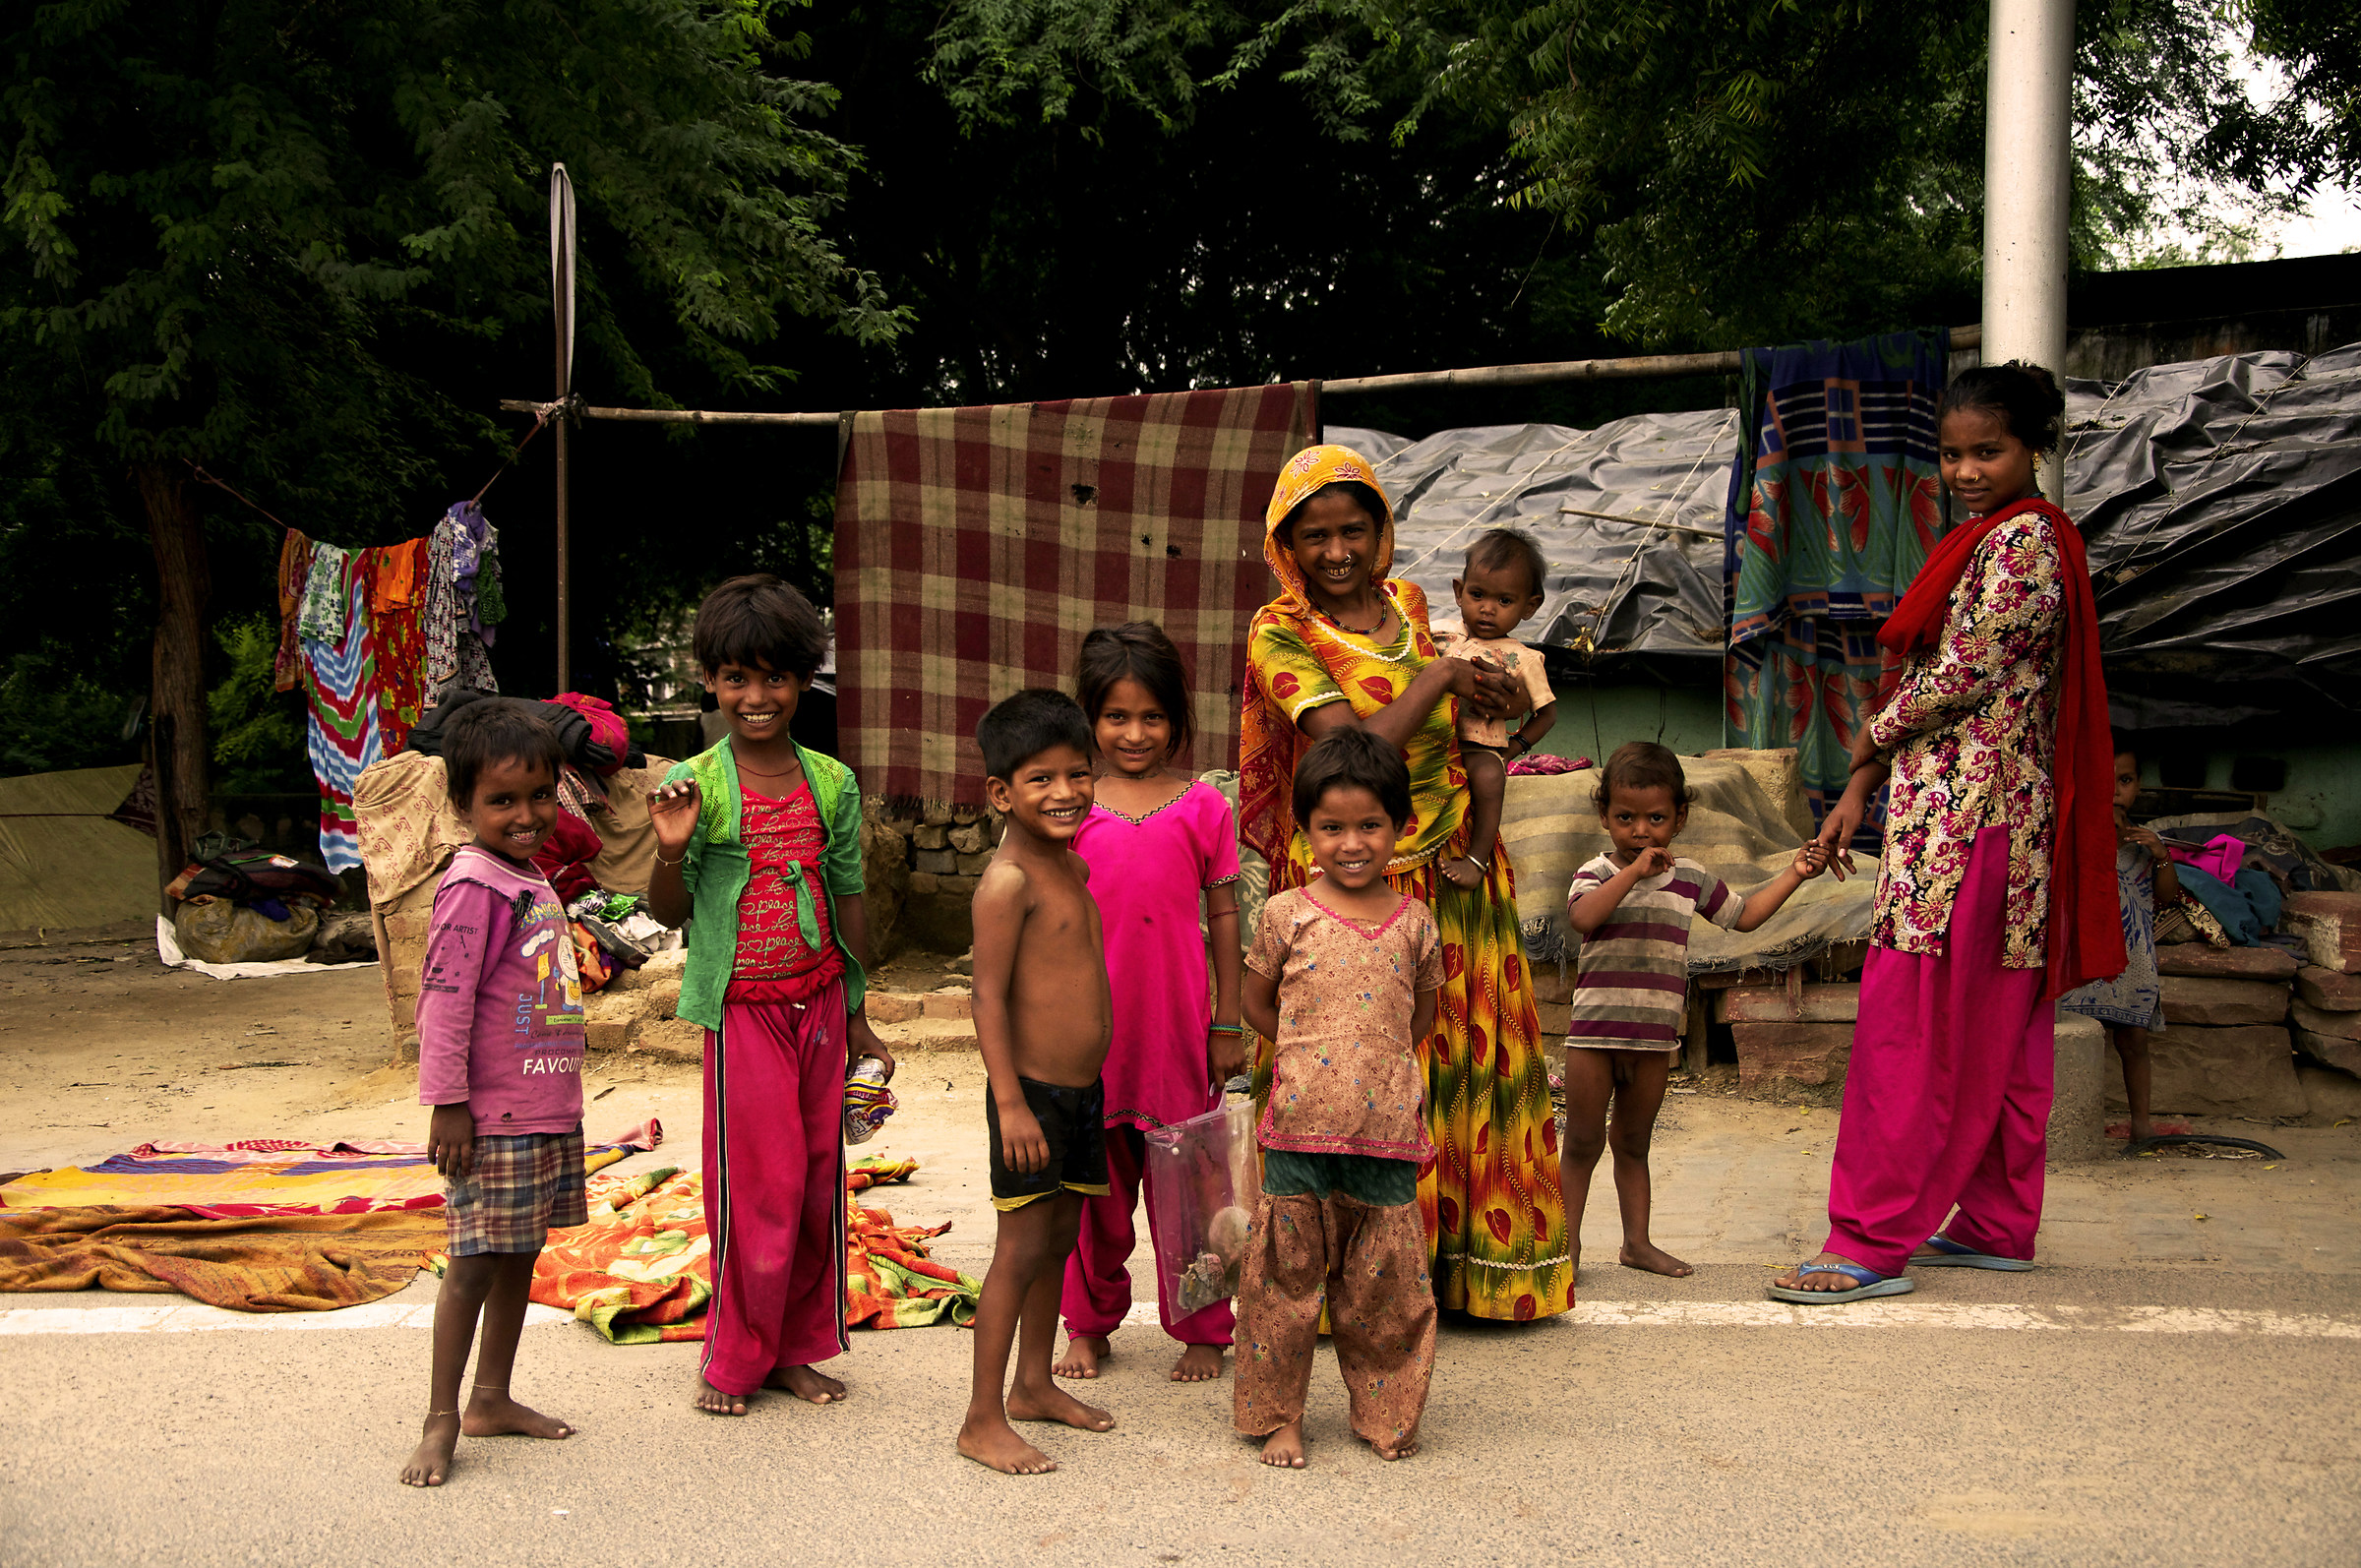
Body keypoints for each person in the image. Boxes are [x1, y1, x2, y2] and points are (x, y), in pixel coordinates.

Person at [1772, 361, 2122, 1304]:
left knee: (1911, 1026)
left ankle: (1870, 1240)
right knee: (1998, 1025)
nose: (1965, 470)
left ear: (2035, 448)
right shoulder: (1990, 539)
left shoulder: (2022, 548)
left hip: (1966, 829)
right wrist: (1866, 781)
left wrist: (1868, 737)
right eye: (1952, 453)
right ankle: (2000, 1224)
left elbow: (1959, 672)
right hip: (1984, 822)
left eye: (1988, 451)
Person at [1240, 444, 1570, 1322]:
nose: (1338, 551)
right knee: (1365, 1073)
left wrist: (1496, 705)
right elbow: (1359, 748)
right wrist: (1440, 677)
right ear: (1287, 544)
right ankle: (1364, 1283)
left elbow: (1467, 710)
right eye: (1316, 536)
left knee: (1465, 1059)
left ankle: (1476, 1273)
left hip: (1456, 863)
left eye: (1355, 530)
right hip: (1353, 888)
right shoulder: (1281, 631)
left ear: (1382, 530)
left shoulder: (1414, 604)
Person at [645, 574, 894, 1415]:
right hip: (744, 1013)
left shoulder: (832, 781)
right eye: (737, 678)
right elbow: (667, 912)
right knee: (759, 1187)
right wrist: (672, 849)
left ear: (802, 680)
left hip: (822, 1005)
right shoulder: (695, 784)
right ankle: (733, 1359)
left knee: (819, 1182)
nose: (757, 697)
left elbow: (848, 896)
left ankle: (796, 1348)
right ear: (711, 681)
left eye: (776, 677)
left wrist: (859, 1016)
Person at [1236, 729, 1443, 1467]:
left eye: (1369, 826)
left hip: (1385, 1130)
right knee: (1283, 1284)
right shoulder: (1285, 913)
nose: (1351, 843)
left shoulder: (1416, 921)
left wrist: (1375, 1065)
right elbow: (1259, 1002)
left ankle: (1385, 1414)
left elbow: (1419, 1017)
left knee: (1385, 1286)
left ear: (1400, 826)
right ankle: (1278, 1417)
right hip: (1297, 1130)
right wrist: (1306, 1055)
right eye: (1331, 827)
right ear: (1305, 833)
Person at [1052, 623, 1245, 1386]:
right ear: (1089, 719)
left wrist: (1227, 1021)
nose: (1135, 734)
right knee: (1092, 1197)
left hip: (1176, 1034)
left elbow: (1225, 917)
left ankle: (1203, 1327)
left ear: (1179, 720)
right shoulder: (1069, 809)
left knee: (1193, 1188)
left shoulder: (1204, 808)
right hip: (1088, 1037)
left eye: (1152, 717)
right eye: (1116, 717)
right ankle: (1088, 1325)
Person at [400, 698, 585, 1487]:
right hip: (493, 1115)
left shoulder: (528, 875)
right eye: (502, 800)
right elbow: (444, 997)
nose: (527, 814)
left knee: (520, 1258)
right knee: (474, 1264)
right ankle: (442, 1421)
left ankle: (492, 1399)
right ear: (462, 806)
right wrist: (448, 1101)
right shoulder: (475, 883)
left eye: (540, 795)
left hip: (544, 1108)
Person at [1563, 743, 1826, 1279]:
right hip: (1594, 1038)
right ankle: (1565, 1250)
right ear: (1604, 817)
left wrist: (1795, 872)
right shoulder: (1595, 873)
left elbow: (1746, 915)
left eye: (1656, 818)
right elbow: (1584, 918)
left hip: (1656, 1040)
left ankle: (1637, 1243)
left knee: (1633, 1145)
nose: (1642, 831)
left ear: (1679, 818)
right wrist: (1632, 873)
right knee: (1583, 1143)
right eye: (1626, 818)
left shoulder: (1690, 880)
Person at [957, 690, 1121, 1475]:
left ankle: (1033, 1383)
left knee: (1059, 1237)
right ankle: (981, 1418)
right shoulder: (1008, 884)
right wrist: (1013, 1105)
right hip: (1033, 1097)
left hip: (1079, 1092)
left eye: (1077, 774)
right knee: (1019, 1248)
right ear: (1001, 793)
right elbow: (986, 997)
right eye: (1040, 780)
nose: (1065, 793)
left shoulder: (1071, 862)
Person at [2059, 742, 2180, 1143]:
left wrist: (2161, 855)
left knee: (2134, 1042)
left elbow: (2166, 895)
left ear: (2138, 787)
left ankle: (2141, 1124)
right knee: (2072, 1035)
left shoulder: (2147, 843)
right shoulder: (2074, 833)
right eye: (2103, 781)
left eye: (2124, 781)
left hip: (2133, 959)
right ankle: (2064, 1124)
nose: (2114, 790)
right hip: (2085, 955)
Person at [1431, 528, 1559, 891]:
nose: (1487, 609)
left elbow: (1547, 713)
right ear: (1459, 592)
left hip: (1479, 747)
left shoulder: (1525, 659)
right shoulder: (1436, 633)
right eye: (1477, 595)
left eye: (1505, 601)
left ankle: (1476, 859)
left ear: (1529, 606)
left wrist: (1513, 749)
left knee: (1490, 779)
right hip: (1429, 737)